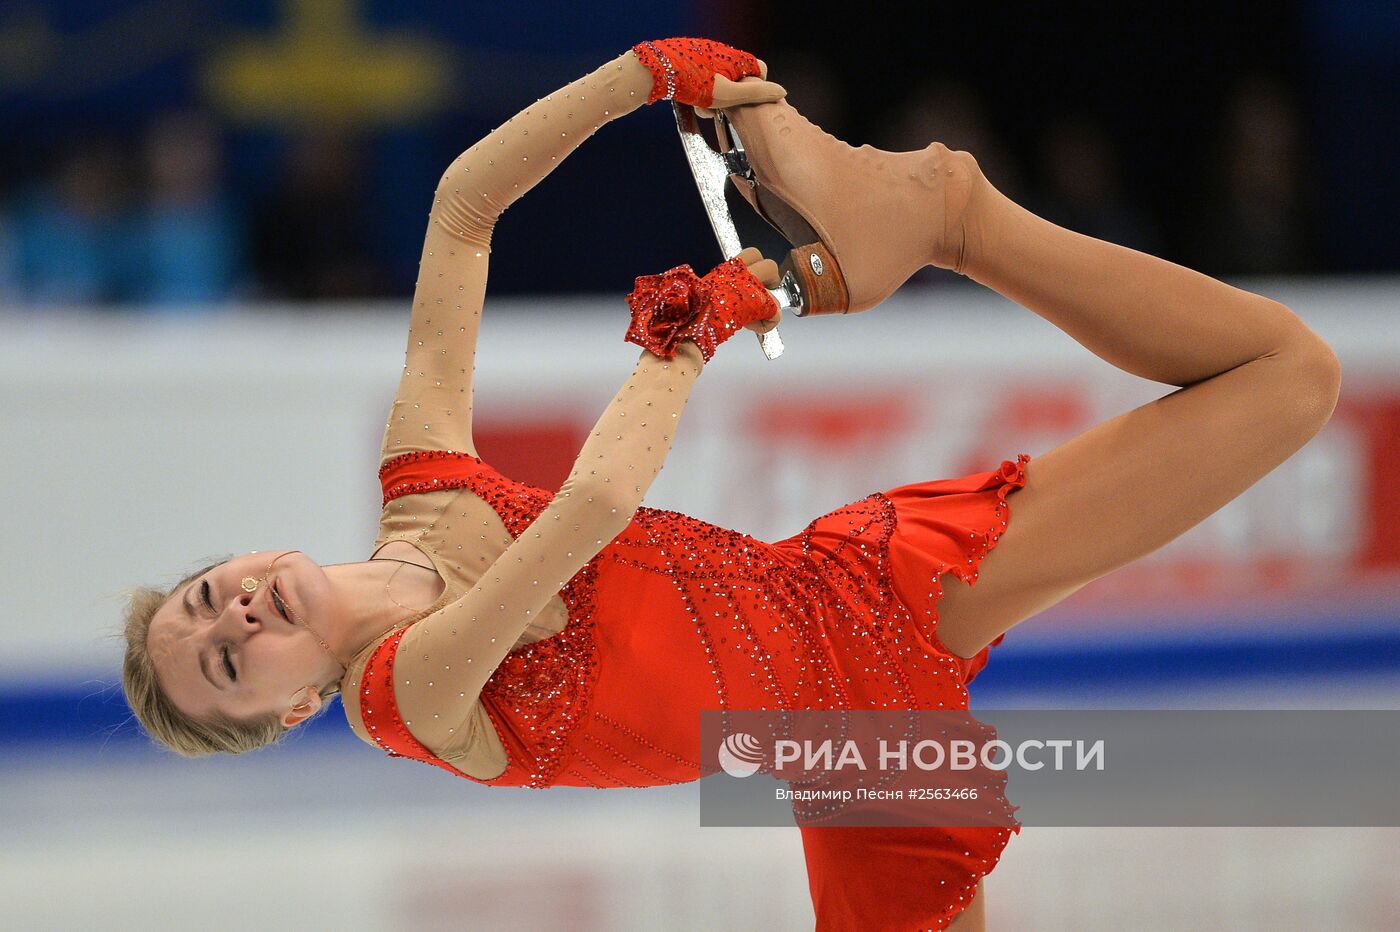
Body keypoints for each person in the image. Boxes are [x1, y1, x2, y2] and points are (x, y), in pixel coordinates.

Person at [122, 39, 1340, 932]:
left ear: (231, 557)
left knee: (1287, 372)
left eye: (205, 595)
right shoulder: (403, 695)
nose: (234, 616)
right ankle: (944, 220)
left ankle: (954, 217)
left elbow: (459, 210)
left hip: (865, 591)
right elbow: (590, 510)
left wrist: (638, 77)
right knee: (1284, 372)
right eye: (226, 661)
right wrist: (699, 328)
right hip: (845, 744)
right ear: (288, 713)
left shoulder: (420, 484)